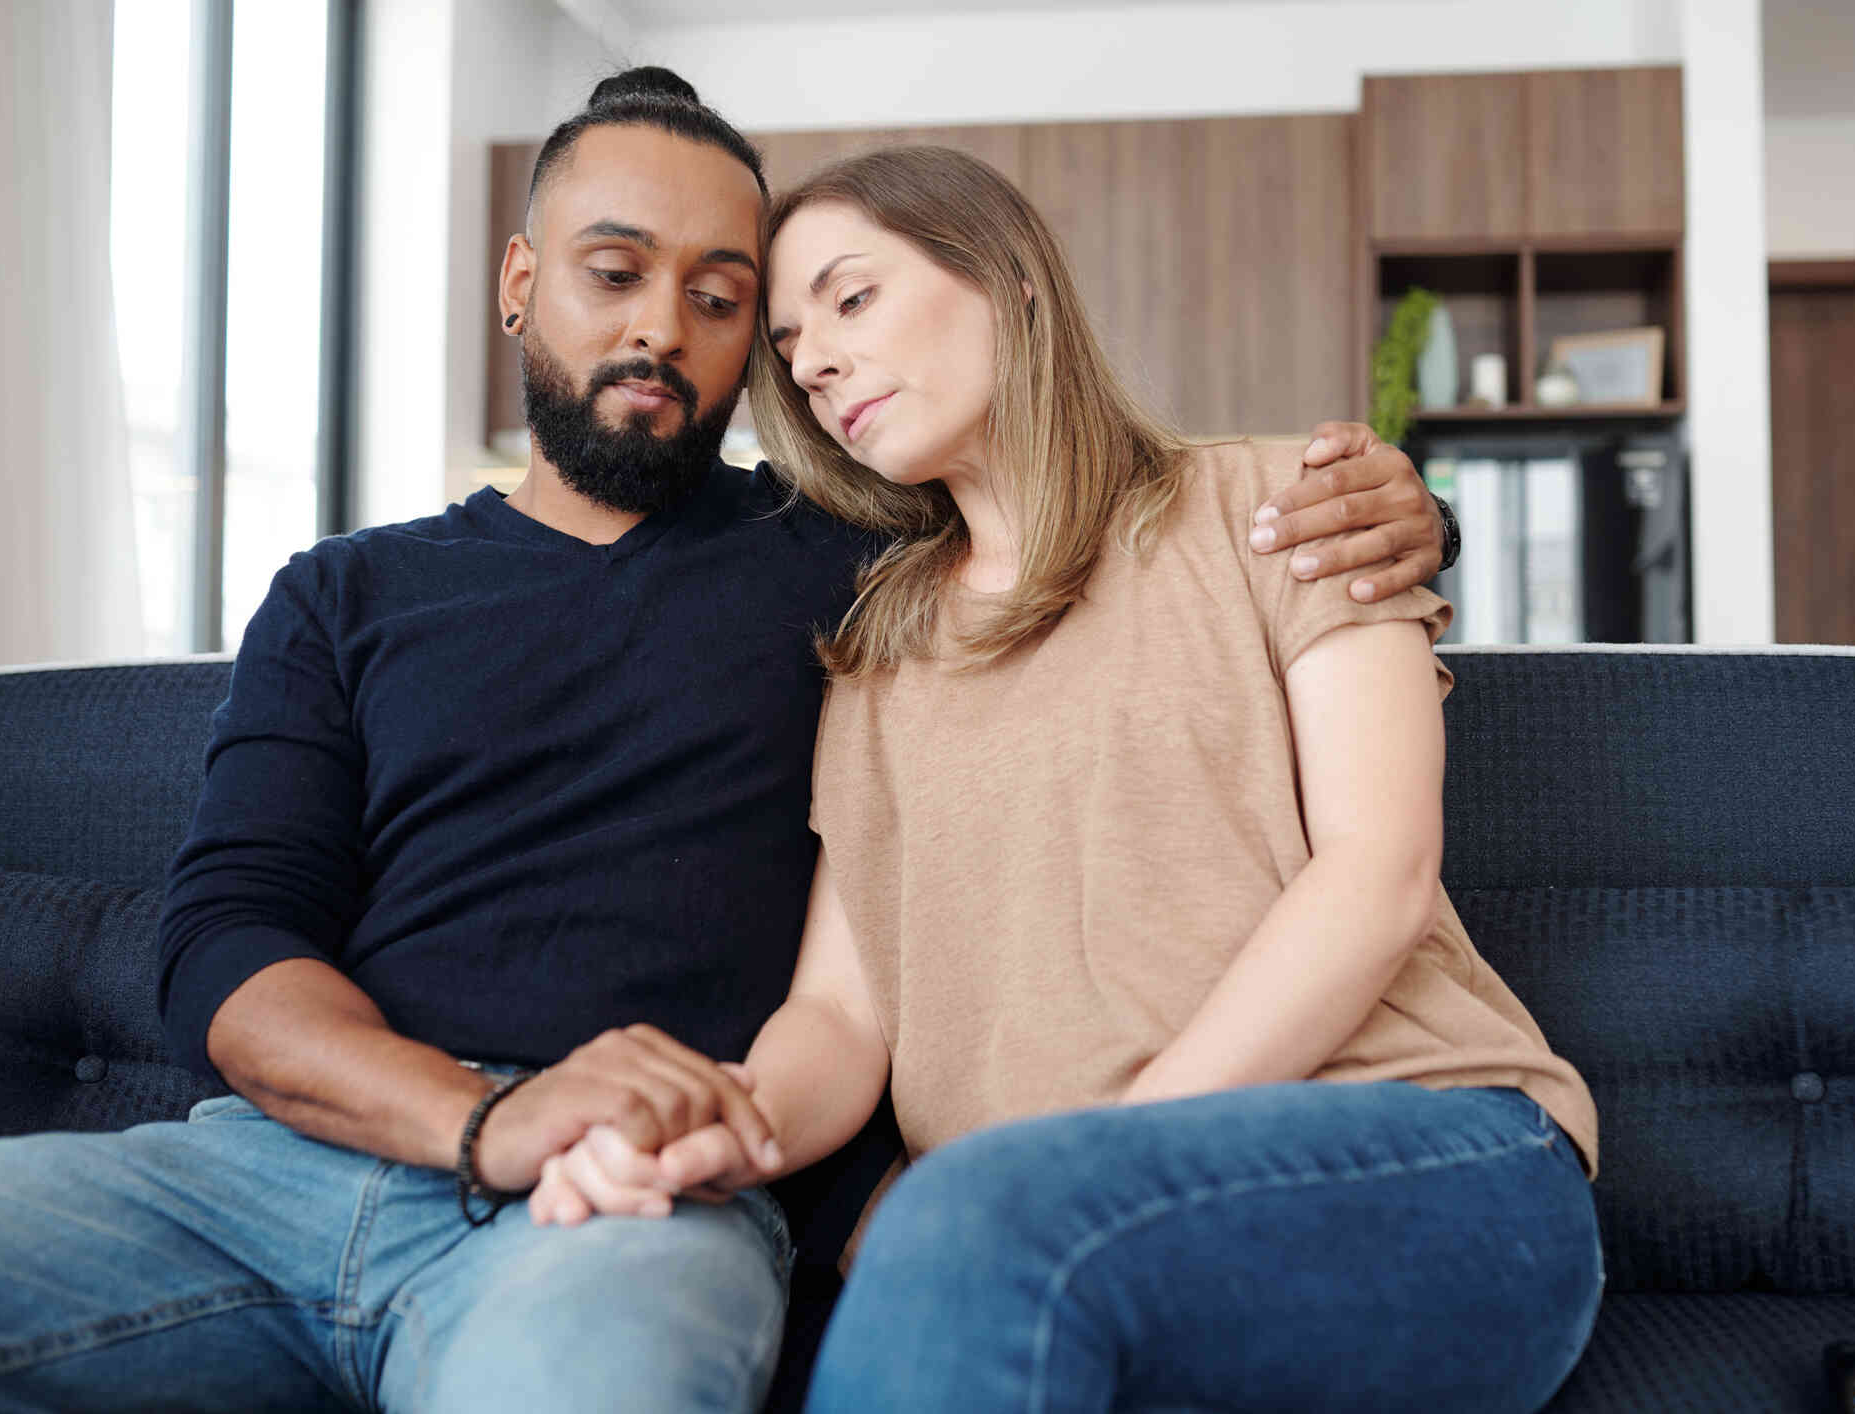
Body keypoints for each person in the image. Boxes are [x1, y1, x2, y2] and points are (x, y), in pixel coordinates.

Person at [0, 69, 1445, 1414]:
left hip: (629, 1204)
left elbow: (1095, 513)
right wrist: (483, 1117)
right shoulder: (344, 592)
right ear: (519, 282)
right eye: (613, 272)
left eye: (724, 297)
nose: (660, 327)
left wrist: (1384, 503)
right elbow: (228, 948)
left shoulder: (866, 569)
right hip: (268, 1178)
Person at [538, 144, 1603, 1413]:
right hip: (1047, 1228)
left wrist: (1078, 1161)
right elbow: (842, 1016)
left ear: (1010, 276)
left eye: (852, 297)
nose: (812, 360)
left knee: (964, 1215)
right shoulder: (877, 651)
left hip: (1429, 1152)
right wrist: (726, 1130)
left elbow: (1377, 876)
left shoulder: (1283, 506)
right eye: (789, 340)